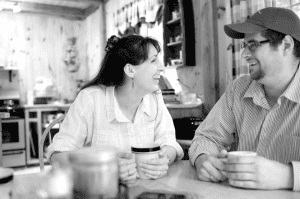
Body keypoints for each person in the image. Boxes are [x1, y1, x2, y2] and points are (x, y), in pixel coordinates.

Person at [189, 7, 300, 191]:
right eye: (244, 46)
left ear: (286, 45)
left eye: (253, 45)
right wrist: (204, 159)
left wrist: (286, 176)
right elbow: (207, 138)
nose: (244, 55)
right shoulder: (238, 89)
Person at [47, 34, 184, 184]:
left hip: (147, 189)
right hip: (100, 190)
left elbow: (168, 140)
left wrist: (164, 159)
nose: (162, 67)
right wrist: (106, 166)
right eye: (153, 61)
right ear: (130, 70)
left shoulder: (155, 97)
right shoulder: (91, 99)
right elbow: (58, 156)